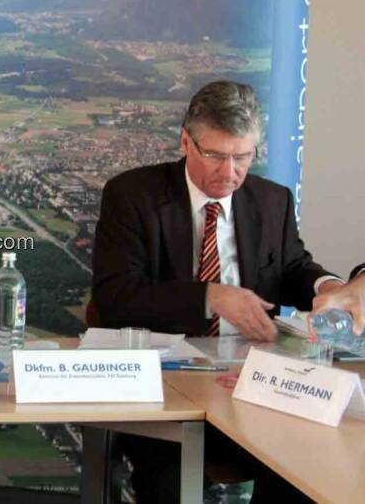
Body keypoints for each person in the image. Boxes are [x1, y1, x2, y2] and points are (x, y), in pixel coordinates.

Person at [92, 80, 342, 502]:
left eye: (242, 157)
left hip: (250, 384)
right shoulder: (132, 195)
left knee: (304, 469)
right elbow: (115, 296)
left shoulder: (272, 201)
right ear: (186, 142)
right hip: (162, 386)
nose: (230, 172)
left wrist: (328, 287)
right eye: (216, 156)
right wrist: (210, 296)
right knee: (169, 485)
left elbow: (294, 268)